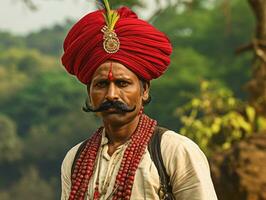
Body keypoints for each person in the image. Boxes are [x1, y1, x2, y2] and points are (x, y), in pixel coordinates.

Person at [60, 1, 217, 200]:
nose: (111, 95)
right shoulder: (75, 159)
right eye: (100, 85)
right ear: (89, 91)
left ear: (144, 89)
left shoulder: (174, 151)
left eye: (123, 83)